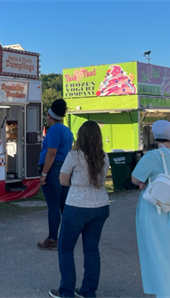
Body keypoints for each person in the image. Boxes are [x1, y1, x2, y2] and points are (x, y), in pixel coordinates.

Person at [48, 121, 110, 298]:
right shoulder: (104, 156)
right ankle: (88, 291)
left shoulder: (74, 155)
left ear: (80, 136)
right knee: (91, 250)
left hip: (77, 205)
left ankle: (66, 291)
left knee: (66, 248)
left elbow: (63, 181)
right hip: (100, 205)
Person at [131, 120, 170, 298]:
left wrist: (146, 180)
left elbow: (135, 180)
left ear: (155, 136)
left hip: (155, 211)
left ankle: (165, 292)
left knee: (158, 253)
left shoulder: (152, 156)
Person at [38, 99, 74, 250]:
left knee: (53, 205)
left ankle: (52, 238)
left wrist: (44, 173)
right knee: (63, 205)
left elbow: (52, 153)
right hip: (64, 169)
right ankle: (68, 237)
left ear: (49, 115)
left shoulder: (54, 130)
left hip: (53, 170)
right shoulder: (68, 131)